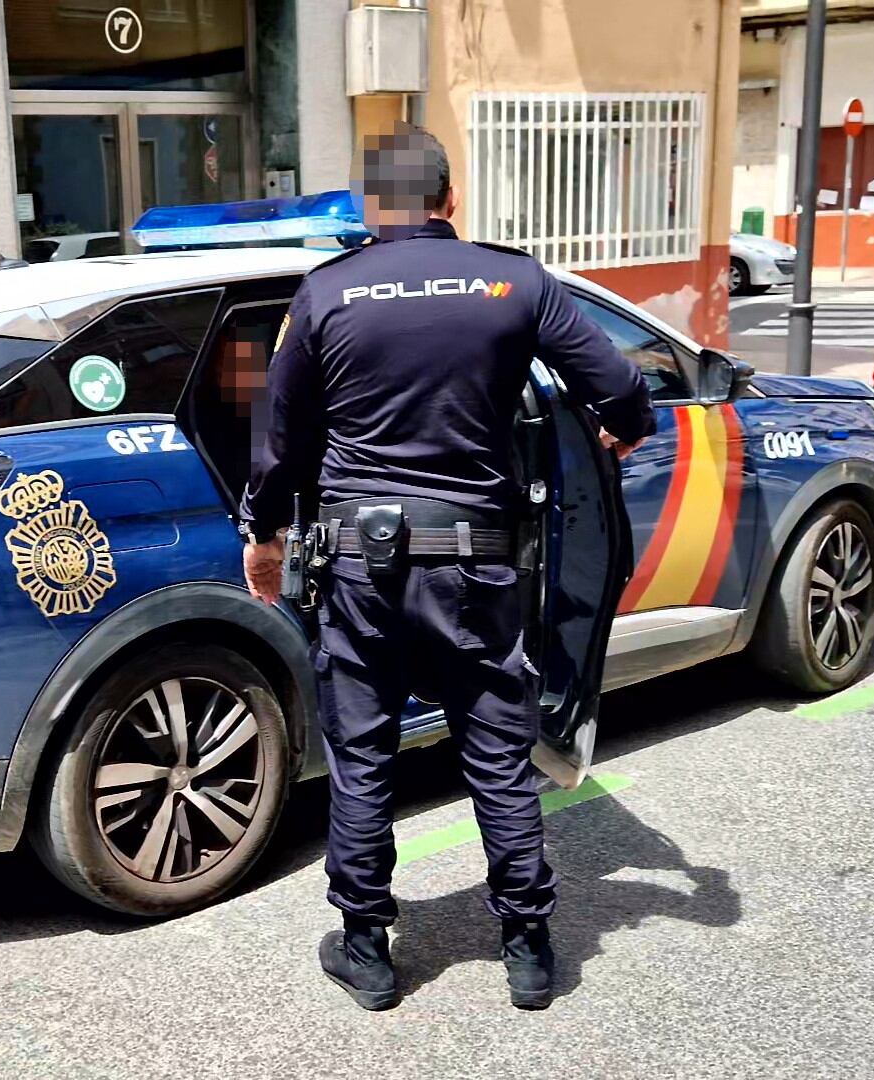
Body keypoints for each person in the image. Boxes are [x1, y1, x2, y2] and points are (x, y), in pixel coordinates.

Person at [241, 126, 657, 1012]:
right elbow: (615, 386)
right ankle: (530, 949)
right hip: (477, 568)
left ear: (368, 206)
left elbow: (277, 440)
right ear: (450, 196)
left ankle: (366, 948)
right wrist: (629, 425)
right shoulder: (514, 282)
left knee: (363, 757)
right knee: (498, 754)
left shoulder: (324, 294)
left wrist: (265, 535)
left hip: (359, 567)